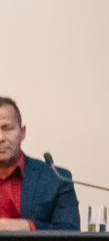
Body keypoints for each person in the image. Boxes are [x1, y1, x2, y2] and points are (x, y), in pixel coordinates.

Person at [0, 96, 79, 232]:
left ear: (22, 132)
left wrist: (27, 226)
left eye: (7, 128)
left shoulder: (56, 179)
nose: (1, 138)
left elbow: (70, 230)